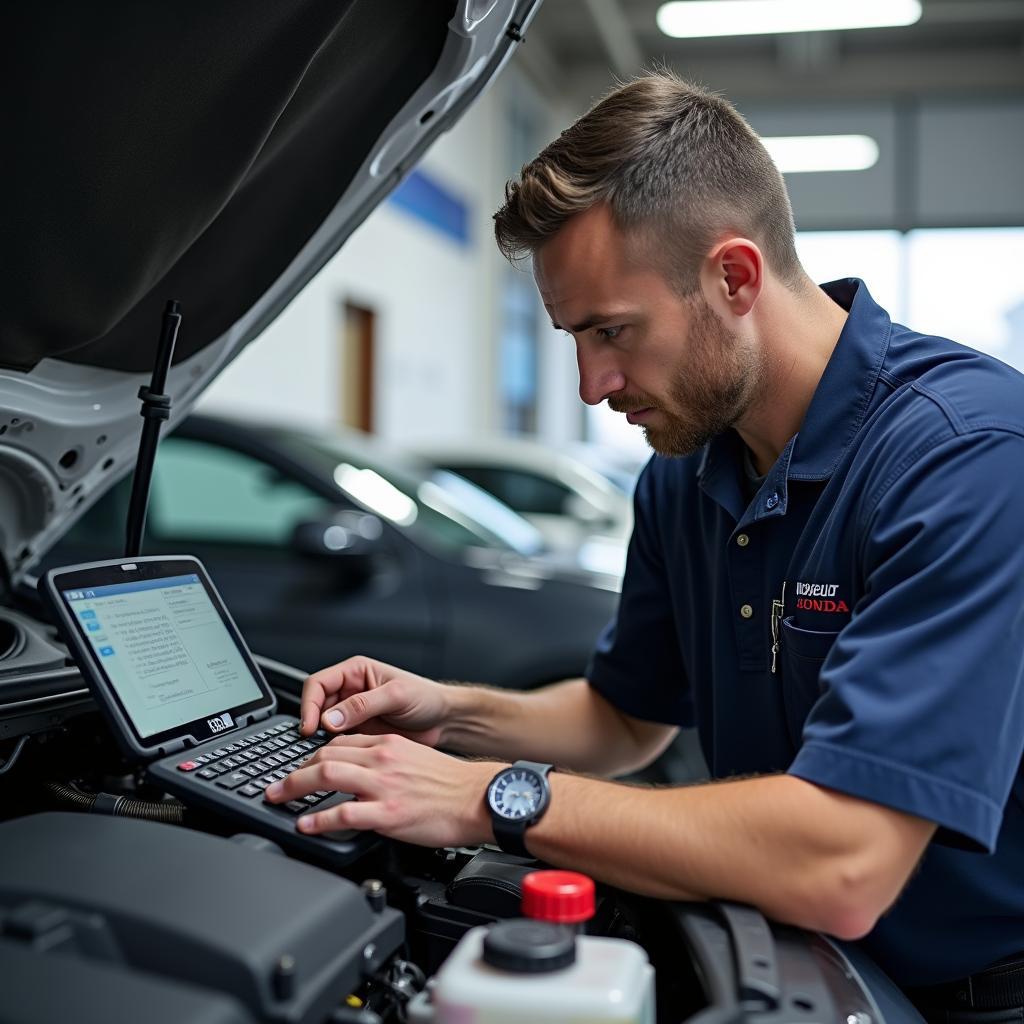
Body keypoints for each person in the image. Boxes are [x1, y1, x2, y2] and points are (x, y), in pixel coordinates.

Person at [264, 72, 1024, 1014]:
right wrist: (449, 715)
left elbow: (847, 861)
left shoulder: (968, 459)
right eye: (573, 338)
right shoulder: (687, 469)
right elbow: (624, 721)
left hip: (971, 997)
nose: (591, 385)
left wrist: (493, 796)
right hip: (784, 956)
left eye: (612, 331)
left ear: (734, 277)